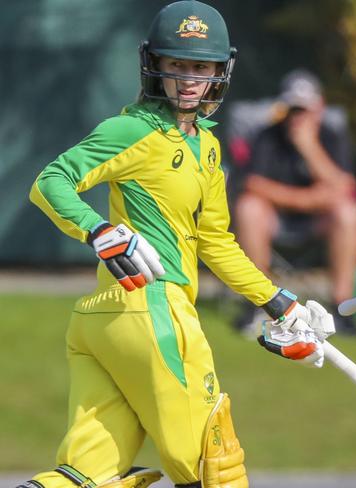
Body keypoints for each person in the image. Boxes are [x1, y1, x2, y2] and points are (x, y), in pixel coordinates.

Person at [18, 2, 335, 488]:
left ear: (218, 72)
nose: (189, 79)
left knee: (86, 475)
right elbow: (52, 180)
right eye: (178, 65)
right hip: (155, 311)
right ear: (155, 66)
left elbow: (216, 242)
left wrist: (278, 302)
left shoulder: (206, 146)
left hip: (108, 324)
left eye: (201, 67)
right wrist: (98, 229)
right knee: (214, 468)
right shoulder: (134, 129)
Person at [234, 69, 356, 335]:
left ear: (319, 108)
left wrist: (309, 147)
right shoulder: (267, 136)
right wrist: (309, 198)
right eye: (293, 109)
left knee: (348, 213)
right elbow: (253, 184)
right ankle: (259, 302)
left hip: (318, 221)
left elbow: (345, 187)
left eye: (304, 109)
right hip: (276, 219)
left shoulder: (332, 135)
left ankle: (343, 306)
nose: (298, 117)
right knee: (249, 208)